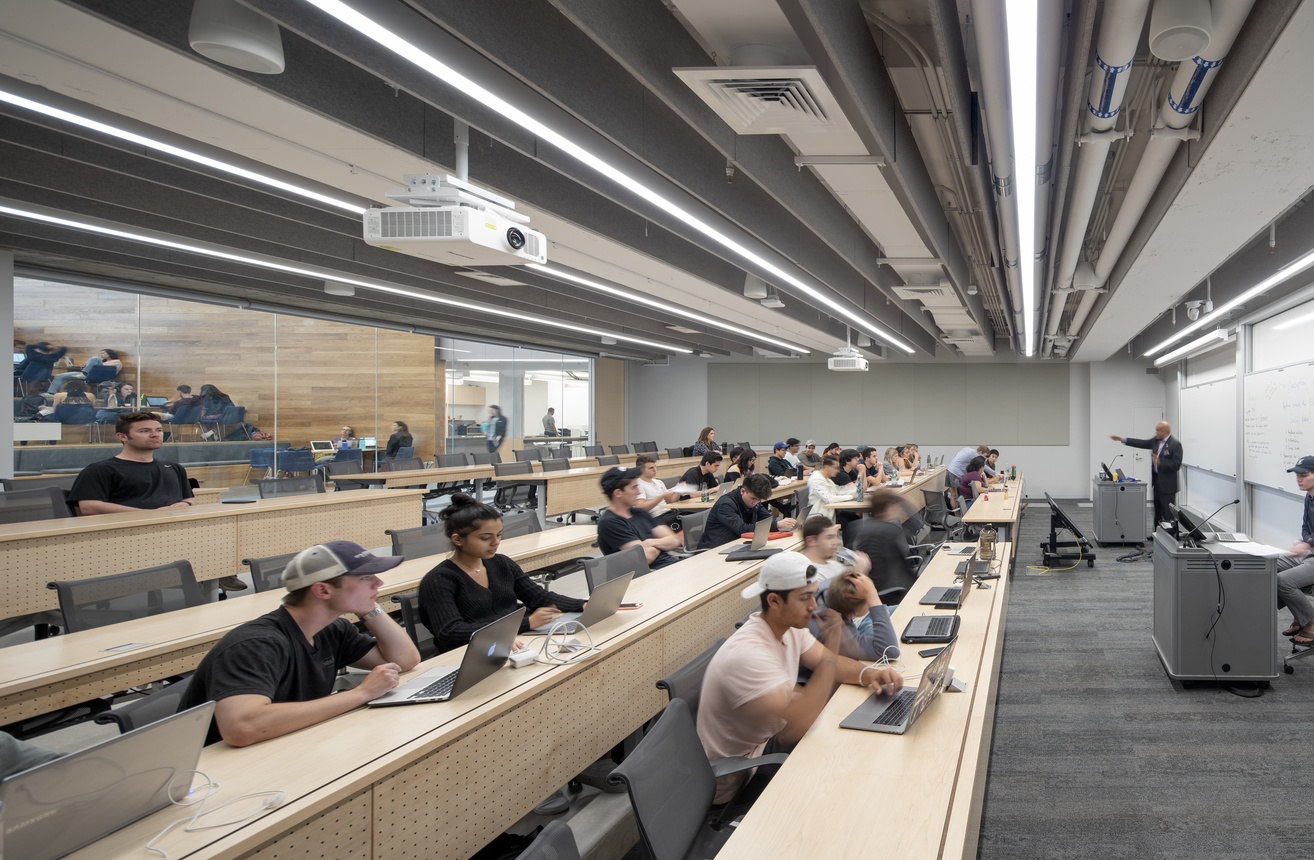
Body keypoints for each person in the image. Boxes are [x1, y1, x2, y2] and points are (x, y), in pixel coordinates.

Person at [696, 551, 903, 804]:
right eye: (805, 598)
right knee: (849, 770)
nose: (814, 605)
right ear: (774, 601)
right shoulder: (748, 654)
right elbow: (806, 717)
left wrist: (868, 673)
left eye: (813, 594)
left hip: (770, 741)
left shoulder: (788, 627)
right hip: (744, 772)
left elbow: (829, 660)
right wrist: (835, 639)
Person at [176, 541, 421, 746]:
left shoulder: (332, 629)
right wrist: (361, 693)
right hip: (213, 774)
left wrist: (369, 608)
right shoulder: (256, 644)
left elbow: (405, 661)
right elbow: (243, 727)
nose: (378, 583)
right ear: (323, 591)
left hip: (283, 744)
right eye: (366, 577)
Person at [418, 494, 585, 653]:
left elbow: (539, 597)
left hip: (516, 640)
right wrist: (527, 623)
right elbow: (451, 632)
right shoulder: (439, 580)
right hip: (472, 652)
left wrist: (582, 605)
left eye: (499, 535)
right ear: (458, 539)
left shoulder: (502, 563)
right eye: (485, 538)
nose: (496, 542)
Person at [67, 412, 194, 515]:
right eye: (144, 431)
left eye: (159, 430)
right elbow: (89, 507)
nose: (155, 435)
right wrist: (148, 515)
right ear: (122, 437)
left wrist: (186, 504)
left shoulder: (174, 468)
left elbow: (187, 498)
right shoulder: (100, 470)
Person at [596, 466, 682, 569]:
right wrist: (662, 544)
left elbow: (675, 540)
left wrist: (651, 542)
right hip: (649, 576)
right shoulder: (610, 523)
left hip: (669, 566)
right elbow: (645, 557)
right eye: (634, 487)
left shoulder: (639, 513)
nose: (639, 492)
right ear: (618, 493)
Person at [847, 489, 918, 600]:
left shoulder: (858, 526)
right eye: (895, 505)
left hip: (871, 587)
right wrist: (906, 502)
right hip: (894, 591)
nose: (898, 508)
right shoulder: (891, 530)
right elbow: (916, 526)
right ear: (887, 508)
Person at [1111, 422, 1182, 530]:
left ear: (1165, 431)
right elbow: (1142, 443)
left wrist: (1160, 462)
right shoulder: (1156, 441)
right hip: (1157, 483)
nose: (1156, 433)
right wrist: (1122, 439)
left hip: (1168, 486)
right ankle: (1157, 535)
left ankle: (1171, 537)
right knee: (1157, 511)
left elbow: (1176, 465)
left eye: (1158, 430)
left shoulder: (1175, 444)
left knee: (1168, 514)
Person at [697, 474, 797, 549]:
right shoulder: (726, 504)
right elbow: (742, 529)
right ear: (743, 491)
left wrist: (778, 524)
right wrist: (777, 525)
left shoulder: (754, 501)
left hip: (736, 545)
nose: (755, 502)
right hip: (715, 548)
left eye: (759, 500)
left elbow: (767, 519)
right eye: (753, 499)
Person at [1275, 456, 1314, 644]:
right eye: (1297, 475)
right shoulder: (1309, 496)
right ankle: (1300, 617)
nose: (1299, 479)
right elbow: (1305, 528)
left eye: (1304, 475)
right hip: (1310, 553)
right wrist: (1305, 542)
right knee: (1269, 564)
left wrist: (1308, 543)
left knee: (1283, 580)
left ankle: (1311, 621)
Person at [633, 453, 681, 529]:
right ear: (641, 470)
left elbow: (670, 501)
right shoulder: (638, 485)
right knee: (685, 525)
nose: (655, 470)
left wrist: (678, 491)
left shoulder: (659, 482)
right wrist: (661, 496)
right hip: (657, 518)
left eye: (655, 467)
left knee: (692, 518)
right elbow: (640, 507)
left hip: (670, 513)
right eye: (651, 468)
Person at [47, 347, 122, 394]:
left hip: (102, 376)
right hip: (89, 374)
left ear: (109, 354)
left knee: (94, 358)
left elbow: (106, 370)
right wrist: (86, 366)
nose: (101, 354)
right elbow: (96, 367)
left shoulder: (117, 362)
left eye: (103, 353)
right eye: (100, 353)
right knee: (59, 376)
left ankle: (84, 373)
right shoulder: (103, 362)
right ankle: (51, 393)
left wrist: (89, 367)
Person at [805, 455, 856, 521]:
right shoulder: (816, 480)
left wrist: (857, 490)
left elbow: (838, 491)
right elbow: (828, 498)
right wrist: (851, 497)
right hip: (819, 518)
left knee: (853, 518)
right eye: (835, 468)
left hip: (828, 514)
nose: (838, 471)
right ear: (827, 467)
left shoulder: (827, 479)